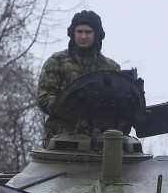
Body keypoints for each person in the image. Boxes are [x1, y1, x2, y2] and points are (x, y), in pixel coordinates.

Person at [36, 10, 121, 143]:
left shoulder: (110, 68)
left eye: (88, 32)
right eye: (79, 31)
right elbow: (44, 96)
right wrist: (71, 110)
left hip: (102, 140)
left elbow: (119, 101)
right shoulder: (57, 62)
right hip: (62, 138)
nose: (83, 36)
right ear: (73, 33)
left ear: (96, 34)